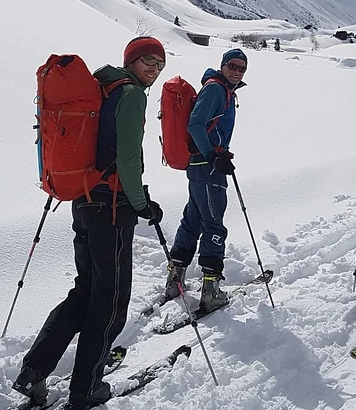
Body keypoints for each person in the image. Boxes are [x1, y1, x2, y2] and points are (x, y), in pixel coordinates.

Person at [13, 37, 167, 410]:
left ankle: (33, 371)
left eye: (160, 63)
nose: (154, 68)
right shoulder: (131, 96)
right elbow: (129, 159)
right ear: (131, 61)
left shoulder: (102, 87)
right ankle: (86, 389)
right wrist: (143, 203)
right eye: (147, 60)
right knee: (109, 301)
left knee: (85, 291)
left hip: (82, 200)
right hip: (111, 208)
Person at [163, 48, 247, 311]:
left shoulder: (222, 90)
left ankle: (174, 281)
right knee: (213, 224)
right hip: (208, 166)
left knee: (194, 220)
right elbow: (195, 124)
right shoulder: (215, 89)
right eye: (232, 66)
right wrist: (213, 156)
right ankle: (210, 291)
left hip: (202, 165)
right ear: (222, 65)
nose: (236, 71)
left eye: (241, 68)